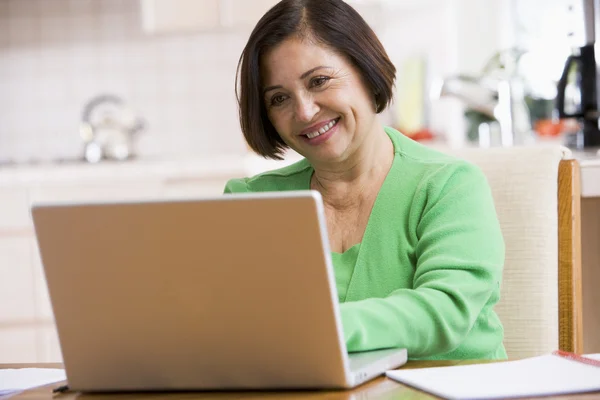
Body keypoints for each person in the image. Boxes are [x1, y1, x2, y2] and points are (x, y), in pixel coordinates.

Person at [224, 0, 506, 360]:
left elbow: (444, 312)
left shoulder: (450, 186)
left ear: (365, 69)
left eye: (319, 81)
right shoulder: (253, 202)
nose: (304, 111)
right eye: (279, 98)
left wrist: (313, 328)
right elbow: (229, 326)